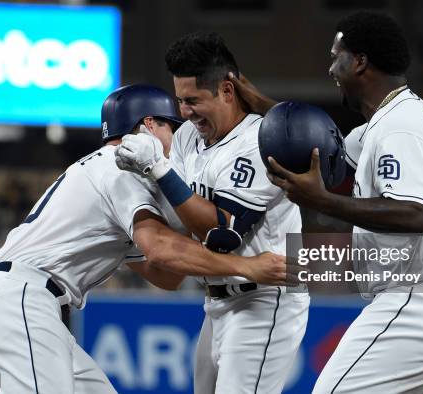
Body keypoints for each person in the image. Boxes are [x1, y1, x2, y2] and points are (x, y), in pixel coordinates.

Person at [231, 11, 423, 394]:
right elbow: (324, 145)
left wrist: (322, 201)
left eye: (335, 55)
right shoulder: (399, 118)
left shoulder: (400, 125)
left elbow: (416, 214)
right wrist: (263, 105)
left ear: (359, 62)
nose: (330, 68)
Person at [0, 84, 296, 394]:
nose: (179, 139)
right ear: (150, 124)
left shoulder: (109, 173)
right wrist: (247, 267)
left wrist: (193, 222)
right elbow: (161, 249)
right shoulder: (120, 165)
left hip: (28, 304)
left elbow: (166, 275)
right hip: (21, 301)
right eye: (172, 126)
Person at [115, 32, 309, 394]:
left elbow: (222, 232)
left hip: (265, 299)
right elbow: (180, 212)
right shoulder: (188, 135)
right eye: (179, 101)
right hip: (217, 301)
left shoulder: (259, 142)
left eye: (193, 100)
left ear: (227, 92)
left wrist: (159, 169)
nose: (185, 111)